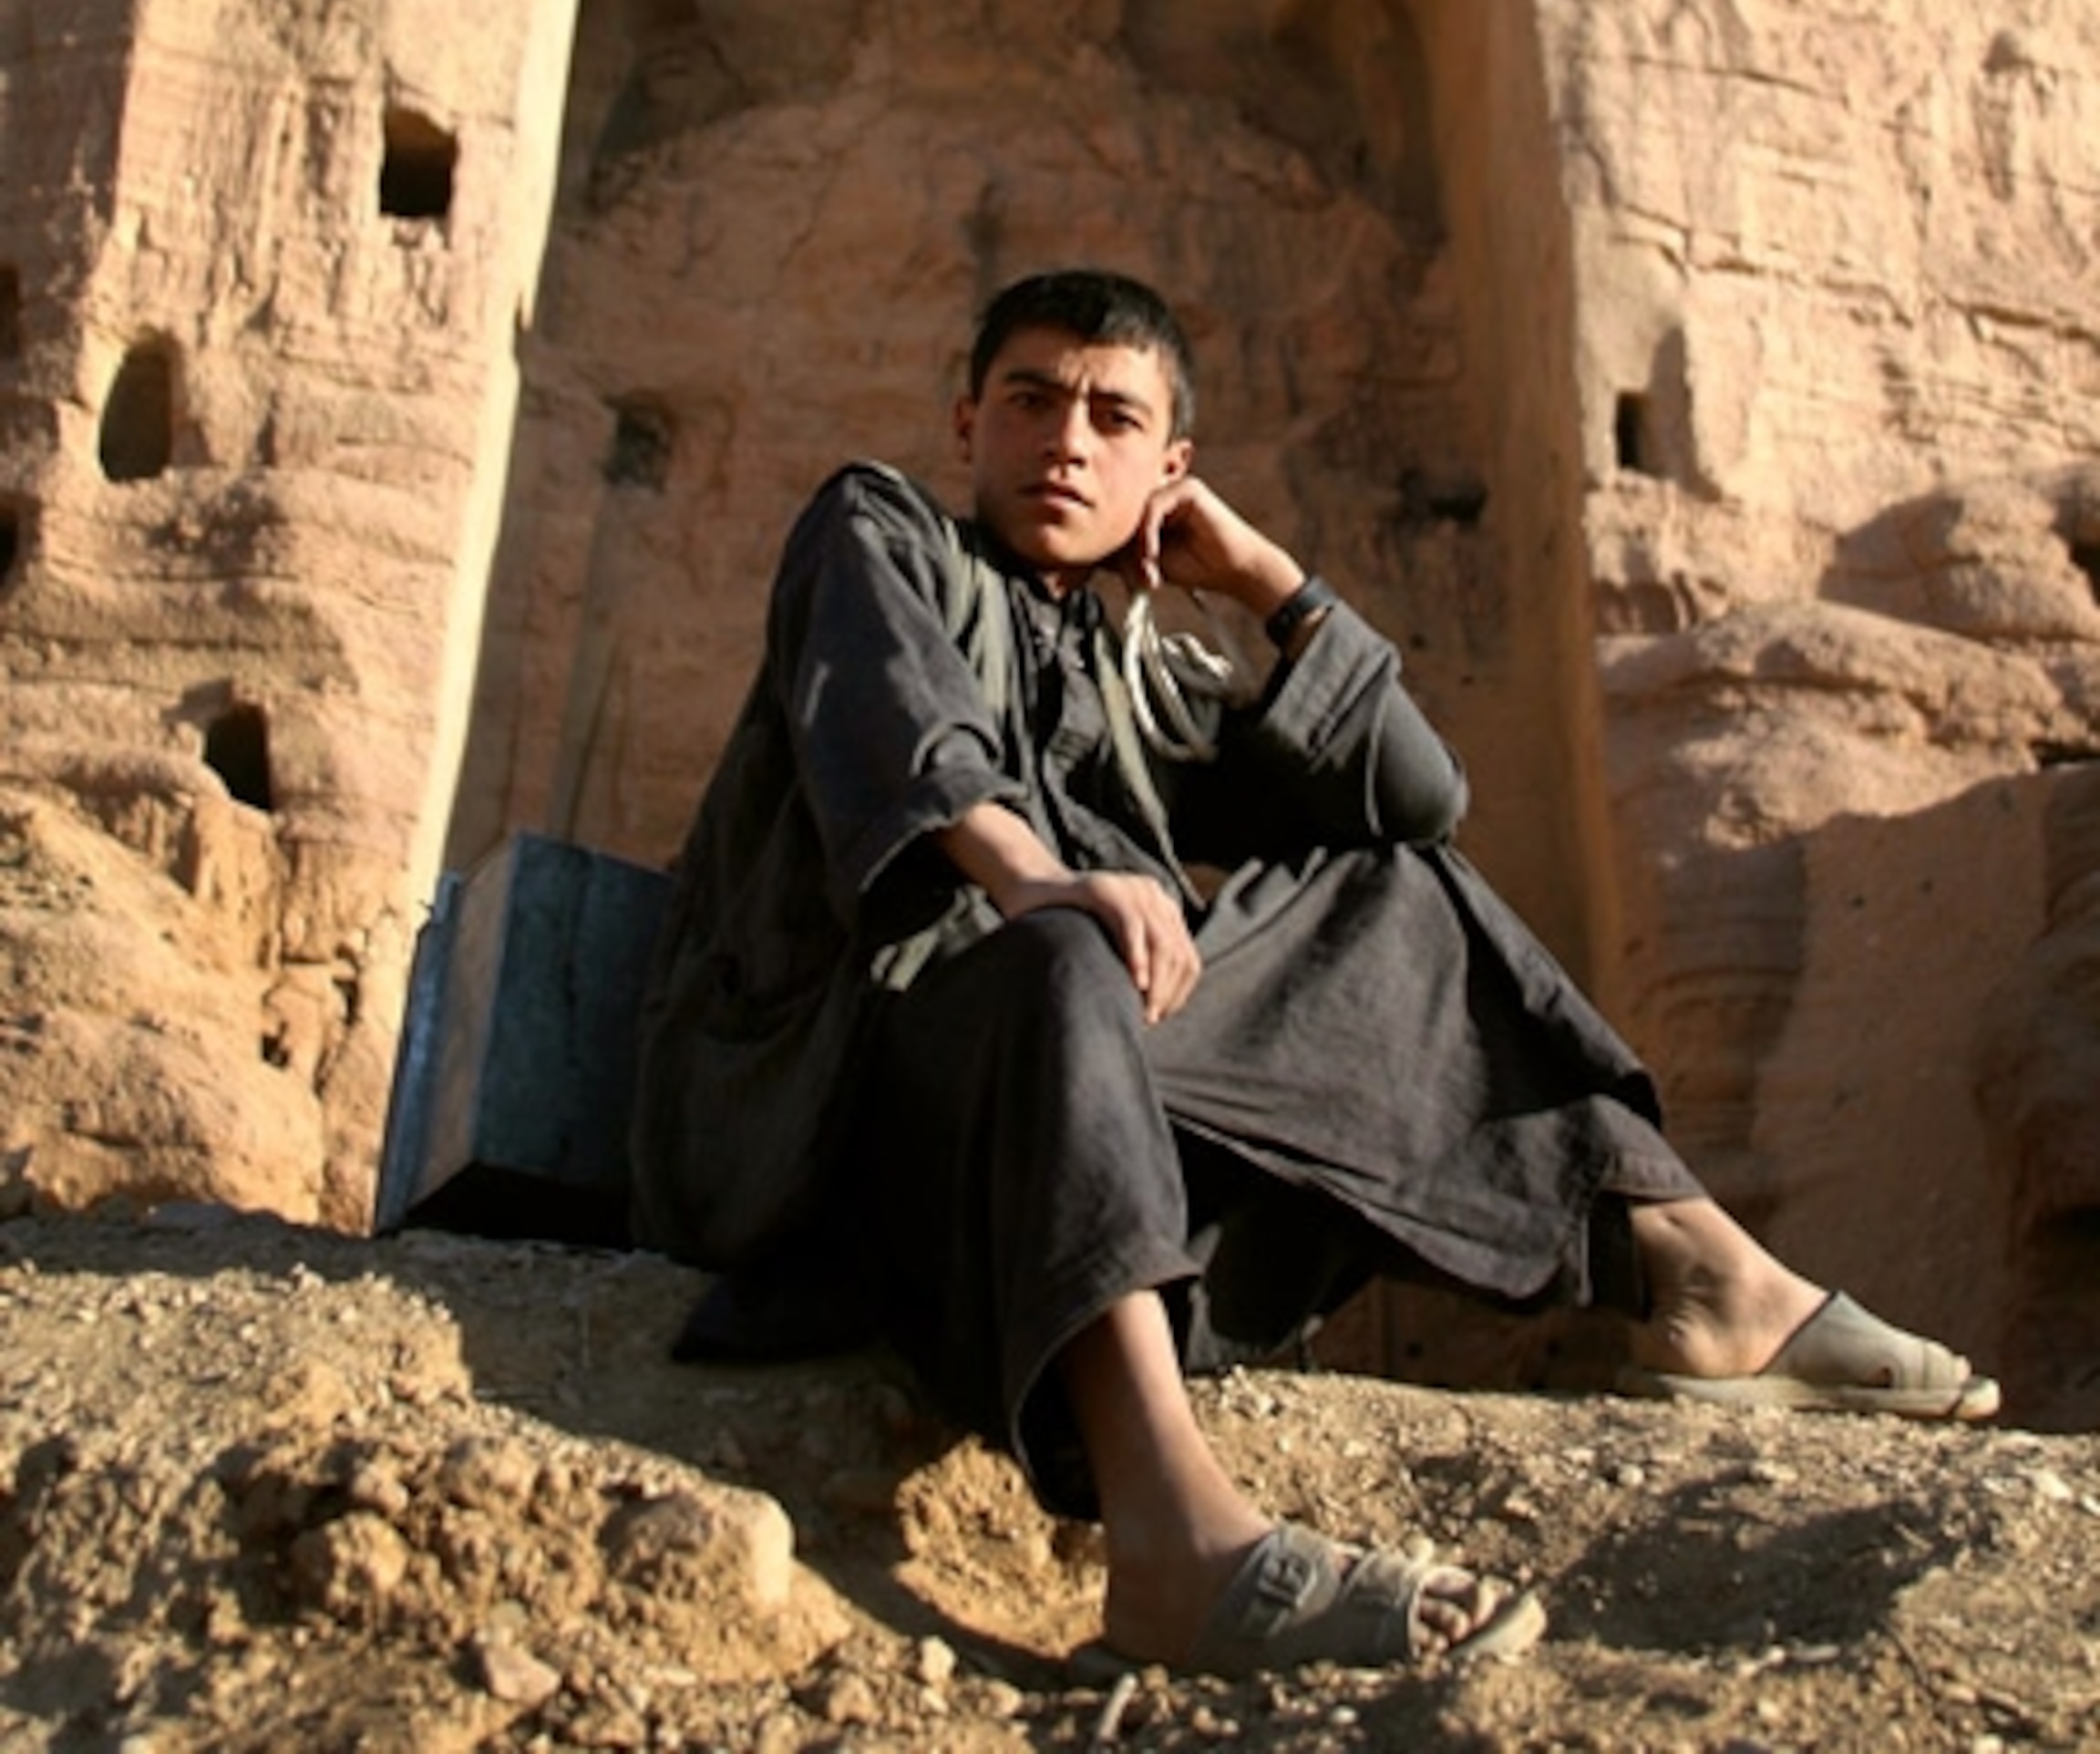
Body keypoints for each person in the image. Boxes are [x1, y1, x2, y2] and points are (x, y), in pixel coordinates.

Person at [630, 267, 1997, 1677]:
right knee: (1062, 952)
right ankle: (1169, 1542)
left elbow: (1415, 803)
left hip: (1060, 1160)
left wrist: (1270, 585)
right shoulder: (880, 531)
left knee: (1392, 897)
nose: (1066, 442)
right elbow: (895, 729)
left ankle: (1701, 1280)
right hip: (828, 1132)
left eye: (1113, 417)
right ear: (969, 419)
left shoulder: (1131, 672)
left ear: (1169, 471)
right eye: (1032, 400)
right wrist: (1039, 877)